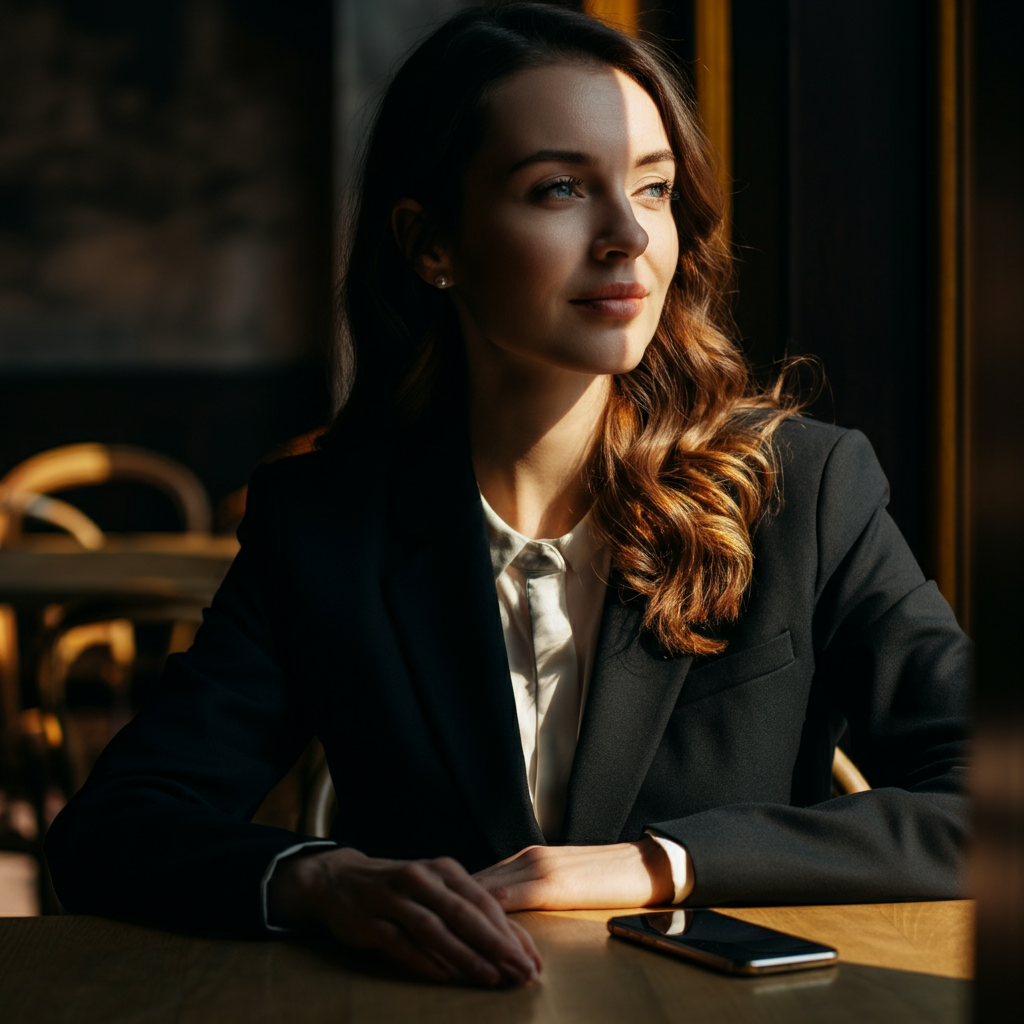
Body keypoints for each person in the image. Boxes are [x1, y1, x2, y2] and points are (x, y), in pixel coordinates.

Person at [46, 1, 970, 990]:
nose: (627, 236)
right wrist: (315, 879)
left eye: (653, 189)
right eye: (561, 188)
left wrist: (661, 864)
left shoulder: (805, 489)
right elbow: (112, 832)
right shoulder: (323, 524)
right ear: (429, 243)